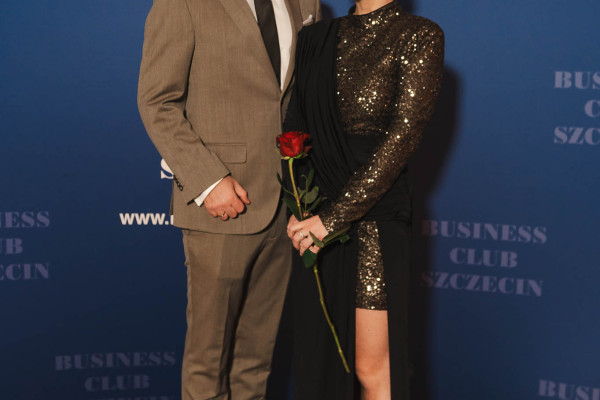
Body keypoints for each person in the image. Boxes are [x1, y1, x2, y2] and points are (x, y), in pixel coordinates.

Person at [137, 0, 320, 398]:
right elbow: (157, 102)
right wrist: (208, 180)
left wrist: (308, 191)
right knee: (210, 361)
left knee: (256, 361)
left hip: (286, 203)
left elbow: (301, 98)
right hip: (222, 202)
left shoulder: (307, 2)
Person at [283, 0, 444, 398]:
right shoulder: (315, 38)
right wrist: (299, 206)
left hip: (373, 216)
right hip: (313, 217)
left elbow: (402, 139)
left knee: (371, 367)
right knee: (319, 363)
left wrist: (332, 219)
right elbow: (294, 129)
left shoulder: (419, 35)